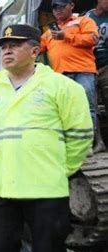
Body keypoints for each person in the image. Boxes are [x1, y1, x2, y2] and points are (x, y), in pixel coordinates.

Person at [0, 24, 93, 252]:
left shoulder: (64, 88)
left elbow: (81, 136)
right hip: (3, 190)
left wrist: (60, 170)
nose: (7, 51)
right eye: (4, 47)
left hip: (46, 191)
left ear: (34, 51)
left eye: (15, 45)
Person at [40, 0, 99, 149]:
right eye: (54, 7)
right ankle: (75, 144)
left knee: (87, 107)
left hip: (83, 71)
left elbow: (92, 39)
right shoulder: (49, 33)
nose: (57, 10)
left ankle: (89, 144)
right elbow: (37, 48)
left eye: (61, 6)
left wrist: (66, 36)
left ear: (71, 5)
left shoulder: (84, 21)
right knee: (67, 111)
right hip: (61, 76)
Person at [87, 0, 108, 152]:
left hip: (106, 65)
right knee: (92, 106)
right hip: (89, 67)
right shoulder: (86, 18)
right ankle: (98, 142)